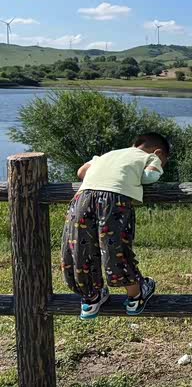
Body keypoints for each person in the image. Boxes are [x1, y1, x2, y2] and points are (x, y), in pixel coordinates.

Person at [61, 132, 169, 320]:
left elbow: (81, 172)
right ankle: (136, 296)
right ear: (158, 152)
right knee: (115, 248)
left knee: (79, 248)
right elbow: (150, 176)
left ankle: (91, 298)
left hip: (82, 198)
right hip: (113, 200)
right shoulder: (150, 157)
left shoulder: (107, 155)